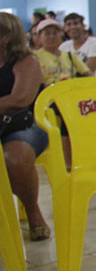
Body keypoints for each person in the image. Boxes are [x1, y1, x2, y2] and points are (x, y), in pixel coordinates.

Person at [0, 13, 51, 241]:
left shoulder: (26, 62)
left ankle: (32, 211)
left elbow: (20, 99)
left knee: (15, 159)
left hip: (25, 123)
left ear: (7, 37)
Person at [34, 19, 92, 84]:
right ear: (39, 36)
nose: (52, 36)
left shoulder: (70, 56)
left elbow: (89, 75)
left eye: (55, 33)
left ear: (61, 35)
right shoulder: (35, 57)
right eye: (47, 33)